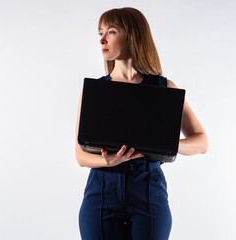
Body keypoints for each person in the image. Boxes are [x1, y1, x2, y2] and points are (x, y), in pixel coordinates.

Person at [75, 7, 208, 240]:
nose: (103, 39)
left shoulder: (163, 88)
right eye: (100, 33)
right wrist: (107, 161)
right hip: (101, 194)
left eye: (111, 31)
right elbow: (80, 156)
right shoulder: (95, 92)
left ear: (132, 36)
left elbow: (201, 142)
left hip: (148, 193)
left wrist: (164, 143)